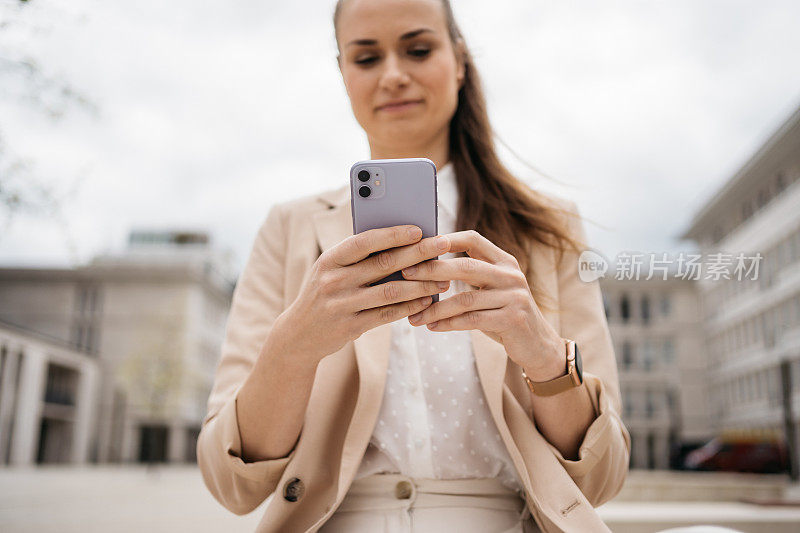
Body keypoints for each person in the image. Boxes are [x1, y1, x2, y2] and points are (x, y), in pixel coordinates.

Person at [196, 0, 631, 531]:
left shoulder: (548, 228)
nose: (394, 76)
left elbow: (602, 477)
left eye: (418, 49)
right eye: (366, 58)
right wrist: (294, 348)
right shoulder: (289, 229)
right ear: (343, 74)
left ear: (460, 60)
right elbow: (232, 484)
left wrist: (544, 359)